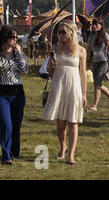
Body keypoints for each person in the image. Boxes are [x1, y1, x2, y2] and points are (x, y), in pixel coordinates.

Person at [43, 20, 87, 165]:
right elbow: (49, 70)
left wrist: (84, 94)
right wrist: (50, 66)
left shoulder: (81, 51)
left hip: (74, 87)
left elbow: (82, 74)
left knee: (73, 122)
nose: (60, 34)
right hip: (59, 86)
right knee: (60, 123)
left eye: (63, 32)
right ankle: (63, 147)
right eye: (59, 32)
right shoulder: (55, 48)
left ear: (71, 33)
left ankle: (71, 156)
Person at [0, 26, 28, 164]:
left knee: (16, 125)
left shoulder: (18, 54)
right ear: (5, 37)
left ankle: (15, 153)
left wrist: (20, 54)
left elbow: (25, 70)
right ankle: (6, 156)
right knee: (6, 125)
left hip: (17, 93)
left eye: (16, 37)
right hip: (2, 93)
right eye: (12, 37)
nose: (15, 40)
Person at [87, 18, 109, 111]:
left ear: (101, 26)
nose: (94, 26)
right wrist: (83, 58)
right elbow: (89, 49)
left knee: (97, 85)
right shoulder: (91, 36)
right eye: (93, 24)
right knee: (97, 84)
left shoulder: (104, 35)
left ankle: (94, 106)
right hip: (95, 63)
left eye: (97, 25)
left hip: (103, 62)